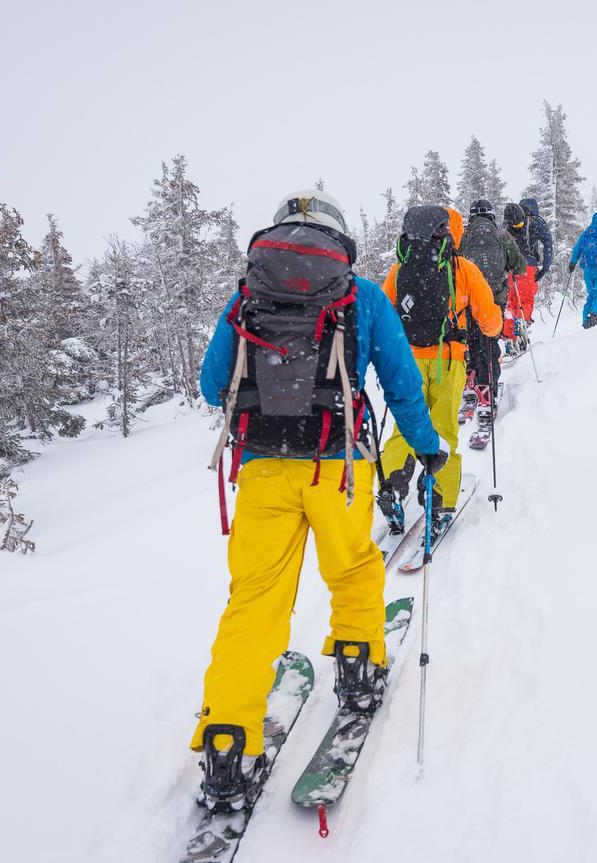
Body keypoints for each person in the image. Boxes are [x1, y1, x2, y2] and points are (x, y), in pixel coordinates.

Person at [192, 190, 449, 810]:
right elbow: (402, 382)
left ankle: (227, 747)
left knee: (253, 603)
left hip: (261, 471)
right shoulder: (359, 294)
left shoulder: (248, 296)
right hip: (338, 468)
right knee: (354, 567)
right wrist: (425, 447)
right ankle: (359, 674)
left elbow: (209, 386)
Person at [376, 204, 502, 536]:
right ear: (450, 232)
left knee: (403, 431)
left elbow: (382, 314)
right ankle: (440, 502)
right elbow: (489, 321)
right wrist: (493, 329)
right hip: (449, 360)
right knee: (443, 430)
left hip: (408, 362)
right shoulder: (463, 269)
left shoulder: (398, 270)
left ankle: (392, 488)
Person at [458, 199, 526, 406]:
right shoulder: (501, 235)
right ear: (491, 215)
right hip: (495, 298)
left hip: (469, 298)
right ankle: (487, 387)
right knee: (489, 341)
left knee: (471, 341)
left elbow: (456, 263)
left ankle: (470, 380)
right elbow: (520, 266)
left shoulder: (465, 236)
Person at [502, 198, 554, 325]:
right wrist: (545, 267)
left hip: (508, 267)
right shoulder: (537, 222)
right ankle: (521, 324)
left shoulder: (508, 222)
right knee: (525, 299)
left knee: (510, 300)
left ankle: (510, 333)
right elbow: (548, 244)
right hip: (528, 266)